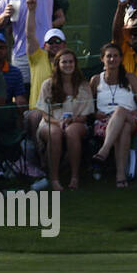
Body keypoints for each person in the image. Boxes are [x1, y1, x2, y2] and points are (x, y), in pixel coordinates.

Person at [33, 47, 93, 191]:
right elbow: (45, 115)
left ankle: (74, 177)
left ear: (75, 64)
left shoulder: (84, 86)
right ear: (58, 65)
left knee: (72, 131)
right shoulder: (48, 85)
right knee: (55, 133)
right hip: (51, 122)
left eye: (71, 62)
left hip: (76, 122)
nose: (68, 65)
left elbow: (85, 116)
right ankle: (54, 179)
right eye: (64, 62)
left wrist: (72, 120)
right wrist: (59, 123)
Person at [89, 43, 137, 188]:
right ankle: (121, 176)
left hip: (131, 117)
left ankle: (104, 151)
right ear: (102, 59)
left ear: (121, 59)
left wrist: (129, 114)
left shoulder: (131, 78)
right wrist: (95, 114)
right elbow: (88, 106)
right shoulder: (96, 80)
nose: (112, 59)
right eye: (109, 56)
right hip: (105, 123)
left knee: (121, 112)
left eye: (116, 56)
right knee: (123, 128)